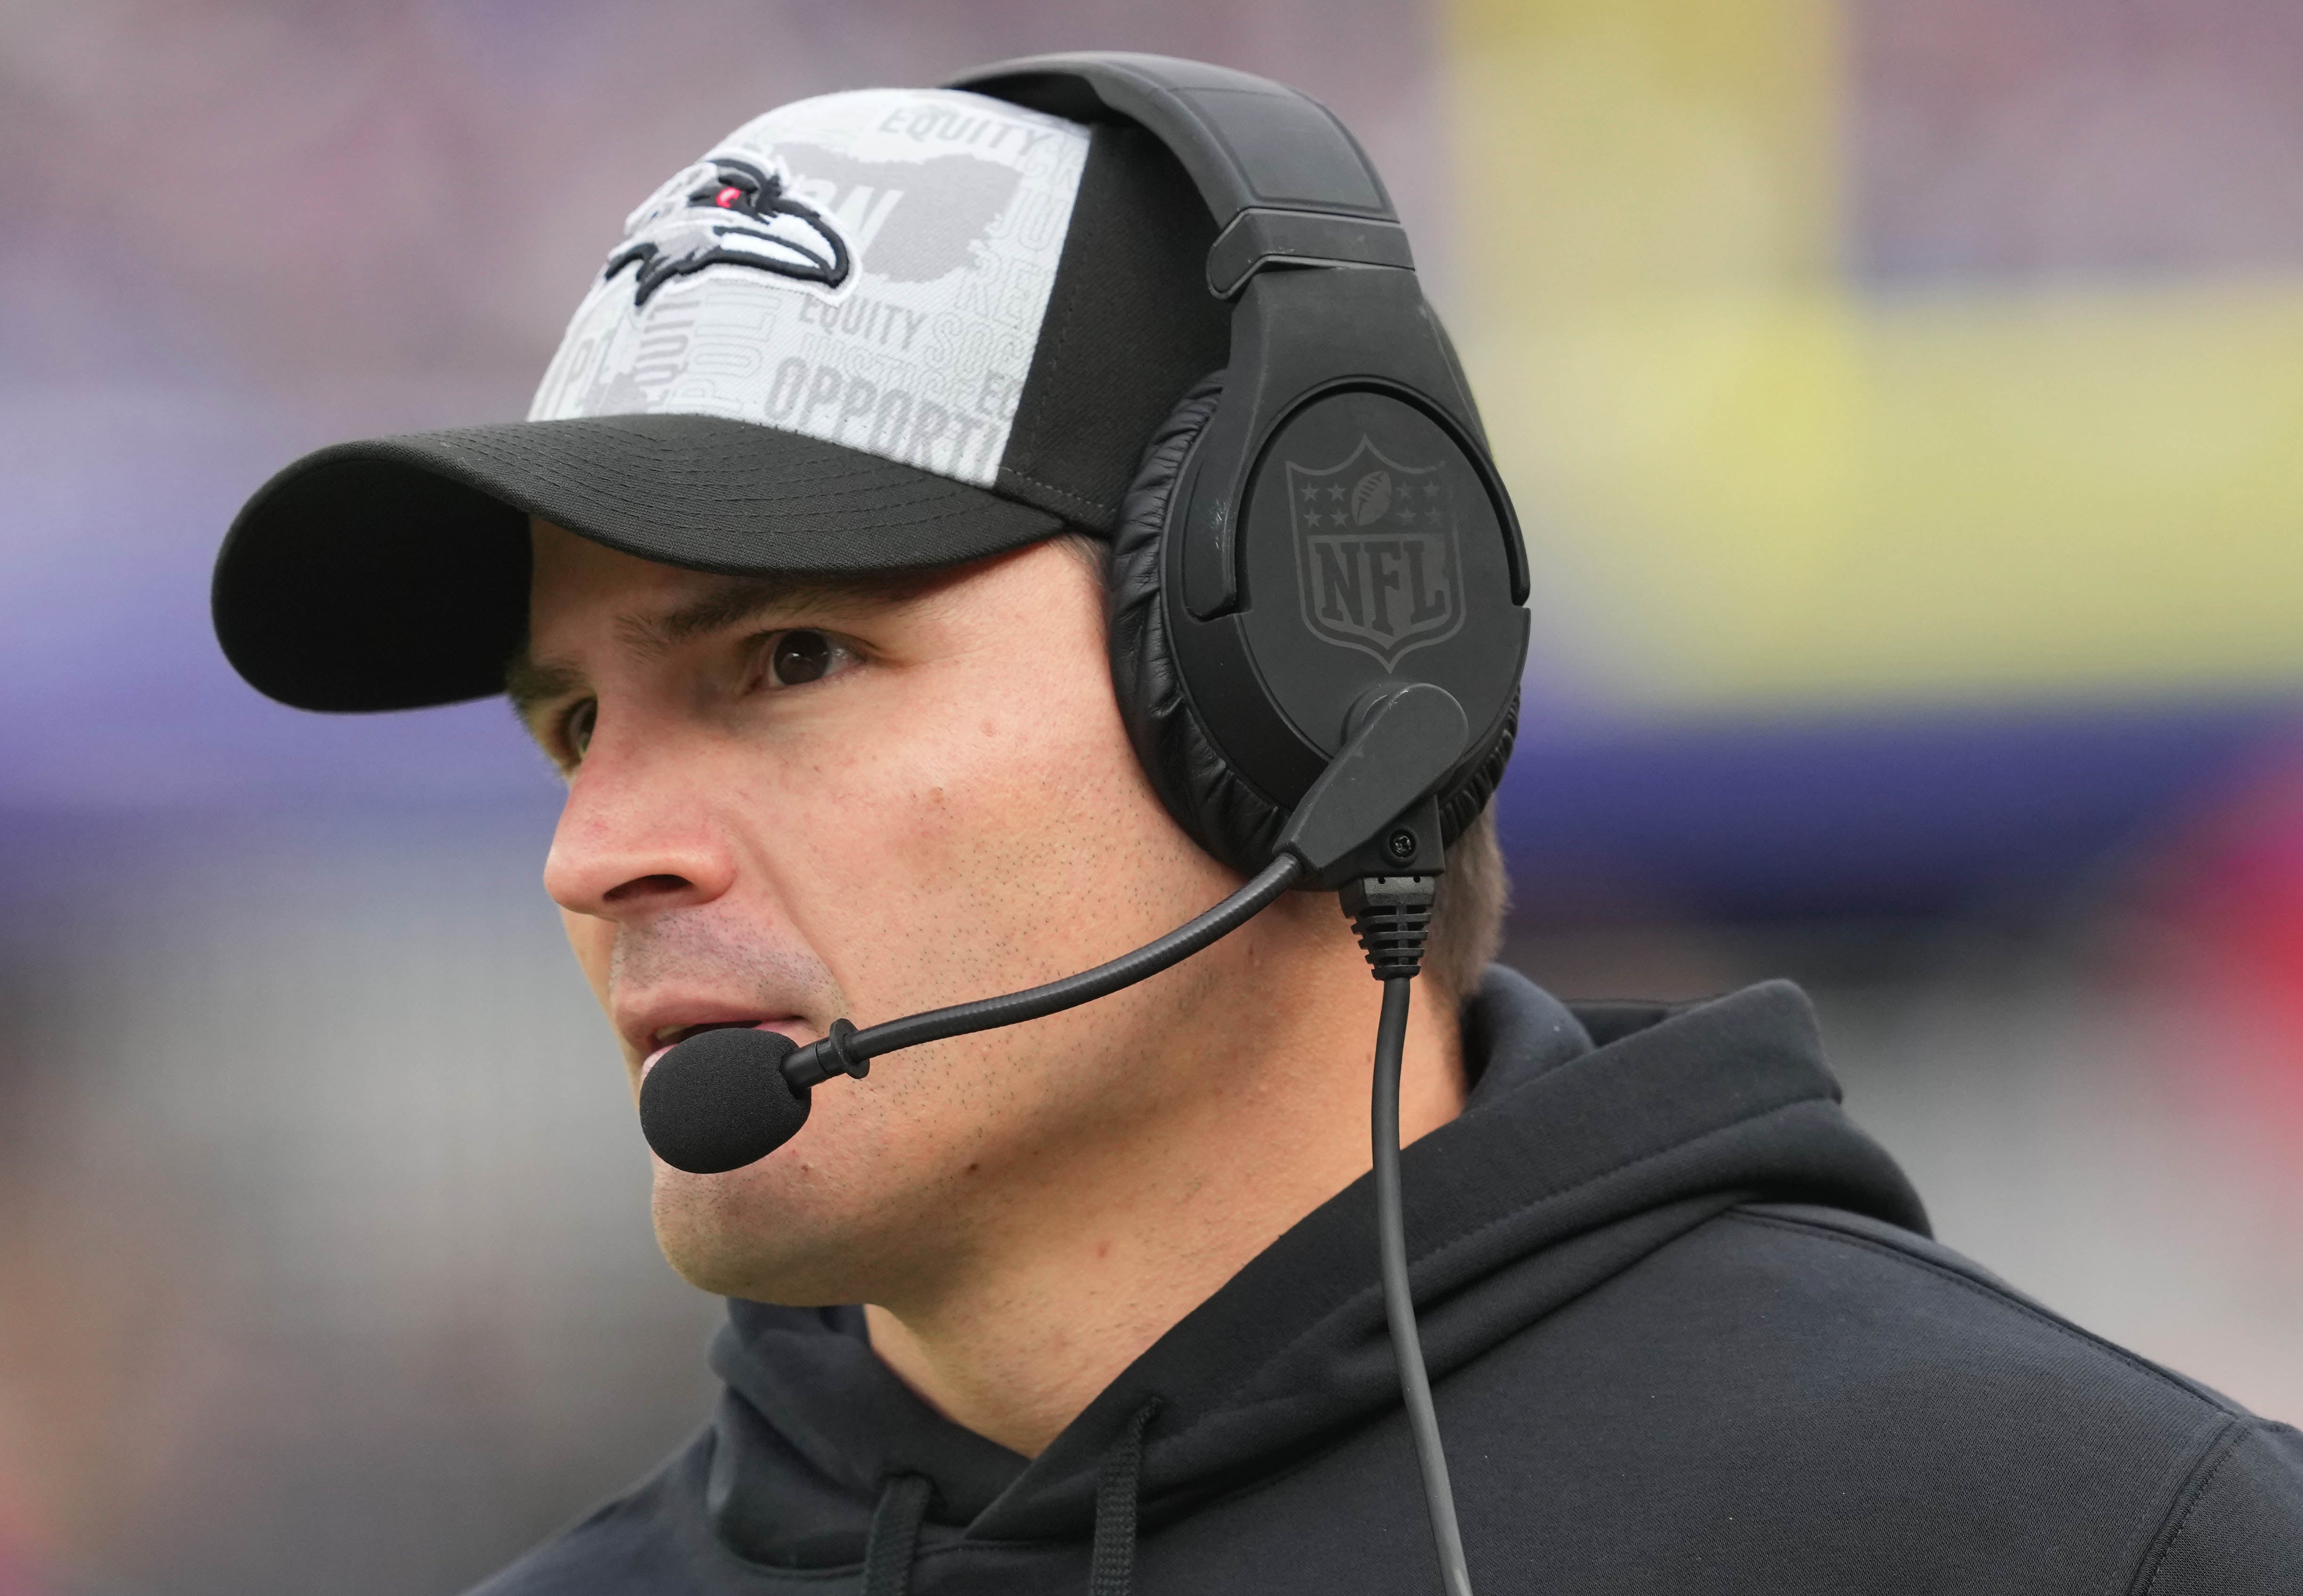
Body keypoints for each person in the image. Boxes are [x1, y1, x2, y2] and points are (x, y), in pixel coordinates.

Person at [212, 57, 2303, 1596]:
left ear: (1294, 686)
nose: (597, 853)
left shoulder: (2078, 1539)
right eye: (574, 721)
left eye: (785, 663)